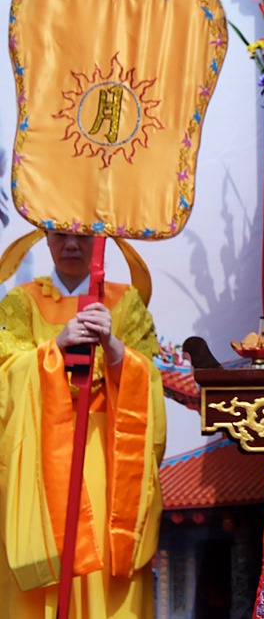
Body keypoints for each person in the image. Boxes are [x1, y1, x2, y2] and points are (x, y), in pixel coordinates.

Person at [0, 231, 165, 618]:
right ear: (45, 238)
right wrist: (53, 348)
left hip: (106, 456)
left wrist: (113, 348)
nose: (71, 246)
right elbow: (5, 375)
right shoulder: (20, 303)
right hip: (40, 460)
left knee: (106, 560)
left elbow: (150, 380)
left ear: (100, 239)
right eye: (60, 236)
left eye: (82, 236)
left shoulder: (126, 303)